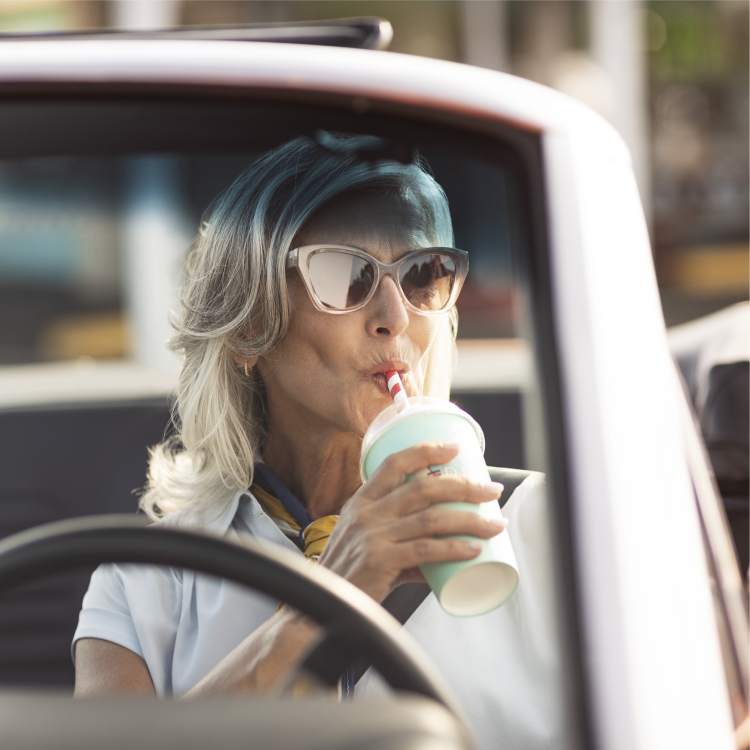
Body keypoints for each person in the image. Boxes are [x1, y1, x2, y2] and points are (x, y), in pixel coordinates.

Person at [72, 136, 565, 750]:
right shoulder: (147, 577)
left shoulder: (554, 530)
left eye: (422, 275)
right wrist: (326, 597)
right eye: (345, 273)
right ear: (251, 326)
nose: (395, 315)